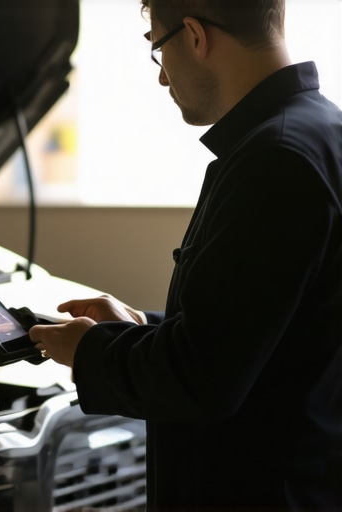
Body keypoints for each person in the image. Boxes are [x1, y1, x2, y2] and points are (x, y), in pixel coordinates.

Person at [29, 0, 342, 510]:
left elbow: (203, 381)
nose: (161, 78)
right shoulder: (320, 132)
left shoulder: (277, 160)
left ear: (195, 36)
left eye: (158, 47)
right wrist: (139, 330)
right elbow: (257, 336)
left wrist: (91, 351)